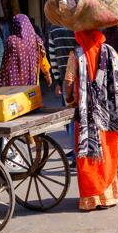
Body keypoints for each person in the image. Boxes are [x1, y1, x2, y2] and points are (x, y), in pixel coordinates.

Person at [64, 29, 118, 211]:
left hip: (86, 116)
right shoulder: (110, 52)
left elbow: (69, 82)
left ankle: (91, 198)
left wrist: (70, 99)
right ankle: (109, 196)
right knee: (109, 153)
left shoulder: (76, 53)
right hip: (111, 114)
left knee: (88, 156)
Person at [48, 25, 77, 160]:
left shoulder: (54, 32)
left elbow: (53, 60)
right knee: (79, 117)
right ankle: (78, 151)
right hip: (80, 76)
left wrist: (58, 82)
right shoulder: (76, 26)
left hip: (66, 78)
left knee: (71, 117)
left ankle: (75, 151)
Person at [0, 14, 52, 87]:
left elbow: (5, 64)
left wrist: (1, 82)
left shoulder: (11, 41)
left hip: (14, 84)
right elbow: (43, 59)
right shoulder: (36, 40)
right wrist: (47, 75)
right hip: (33, 82)